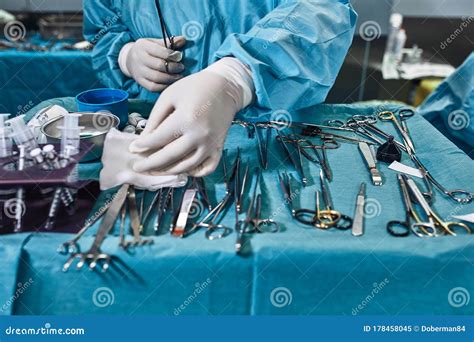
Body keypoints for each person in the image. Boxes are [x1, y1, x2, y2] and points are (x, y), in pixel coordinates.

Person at [84, 0, 357, 177]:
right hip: (161, 129)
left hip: (272, 132)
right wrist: (126, 56)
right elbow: (104, 29)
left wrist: (237, 76)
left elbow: (322, 10)